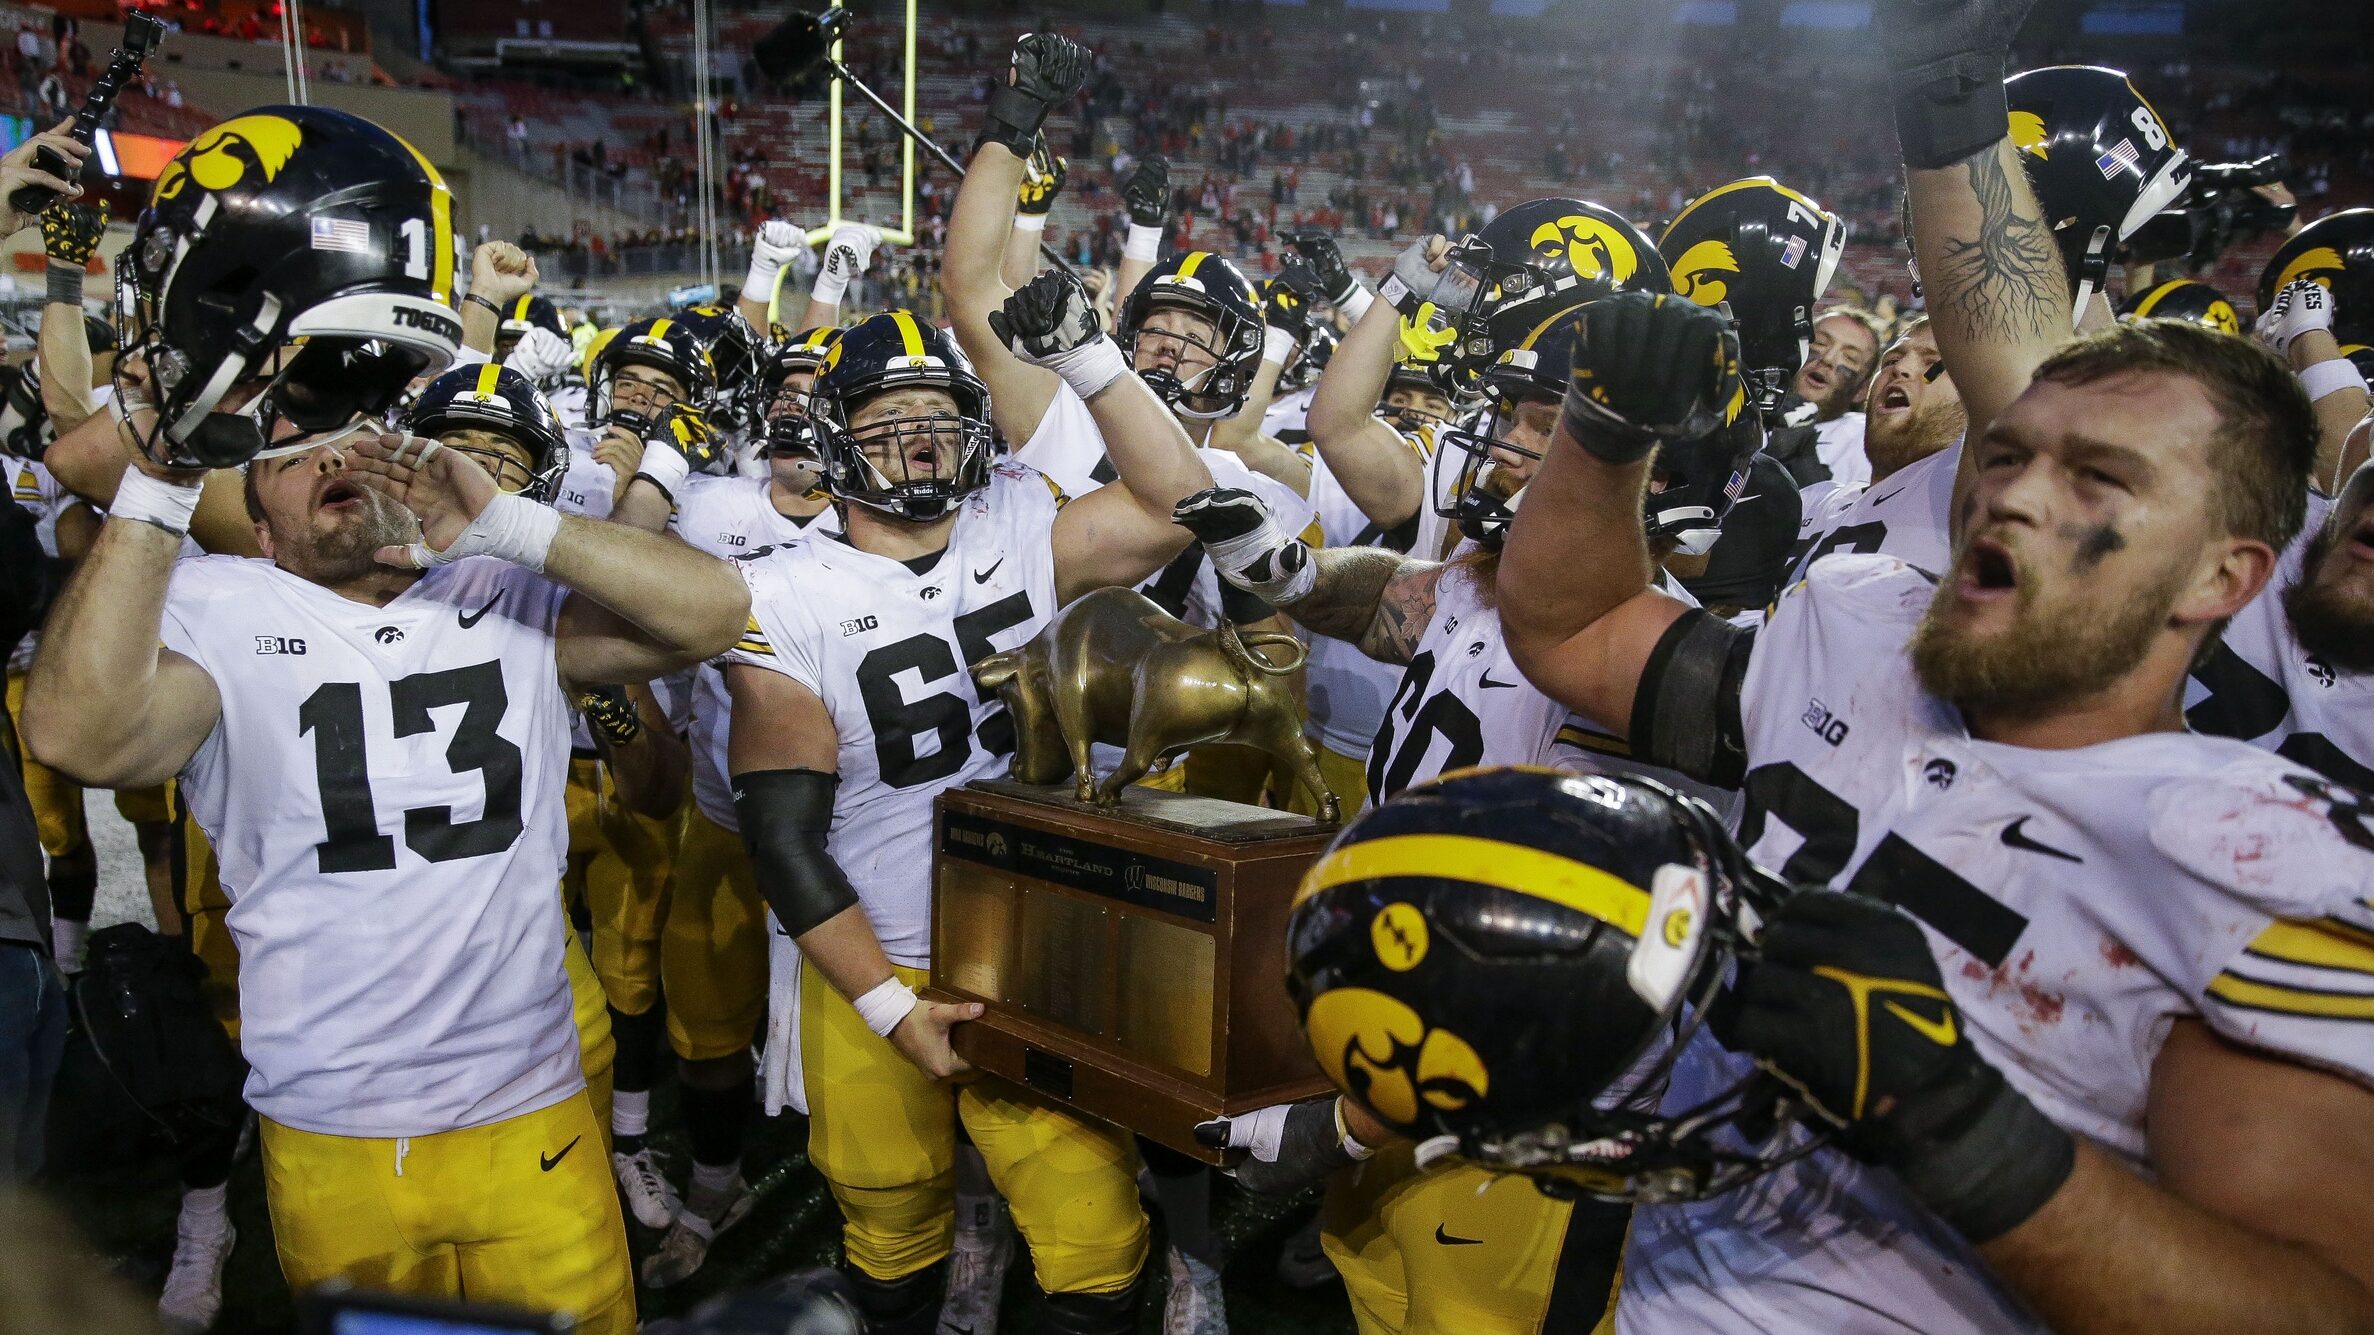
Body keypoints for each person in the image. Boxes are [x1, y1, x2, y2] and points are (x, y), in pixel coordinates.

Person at [1492, 4, 2374, 1319]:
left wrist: (1961, 1128)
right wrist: (1601, 435)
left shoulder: (2256, 849)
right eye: (2004, 457)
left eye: (2096, 479)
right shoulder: (1852, 628)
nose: (2009, 493)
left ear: (2224, 578)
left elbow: (2312, 1303)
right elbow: (1570, 629)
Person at [21, 105, 753, 1332]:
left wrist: (511, 523)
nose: (343, 459)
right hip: (333, 1122)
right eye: (302, 455)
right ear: (250, 511)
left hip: (530, 1107)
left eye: (369, 437)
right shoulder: (216, 604)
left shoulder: (500, 588)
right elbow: (80, 738)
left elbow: (710, 614)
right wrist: (157, 471)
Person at [726, 290, 1210, 1335]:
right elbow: (781, 838)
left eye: (939, 420)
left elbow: (1182, 504)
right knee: (889, 1233)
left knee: (1094, 1247)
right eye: (885, 425)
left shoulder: (1025, 524)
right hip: (872, 950)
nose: (918, 447)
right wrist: (889, 1010)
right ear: (834, 440)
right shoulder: (780, 593)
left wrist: (1090, 364)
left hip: (1033, 948)